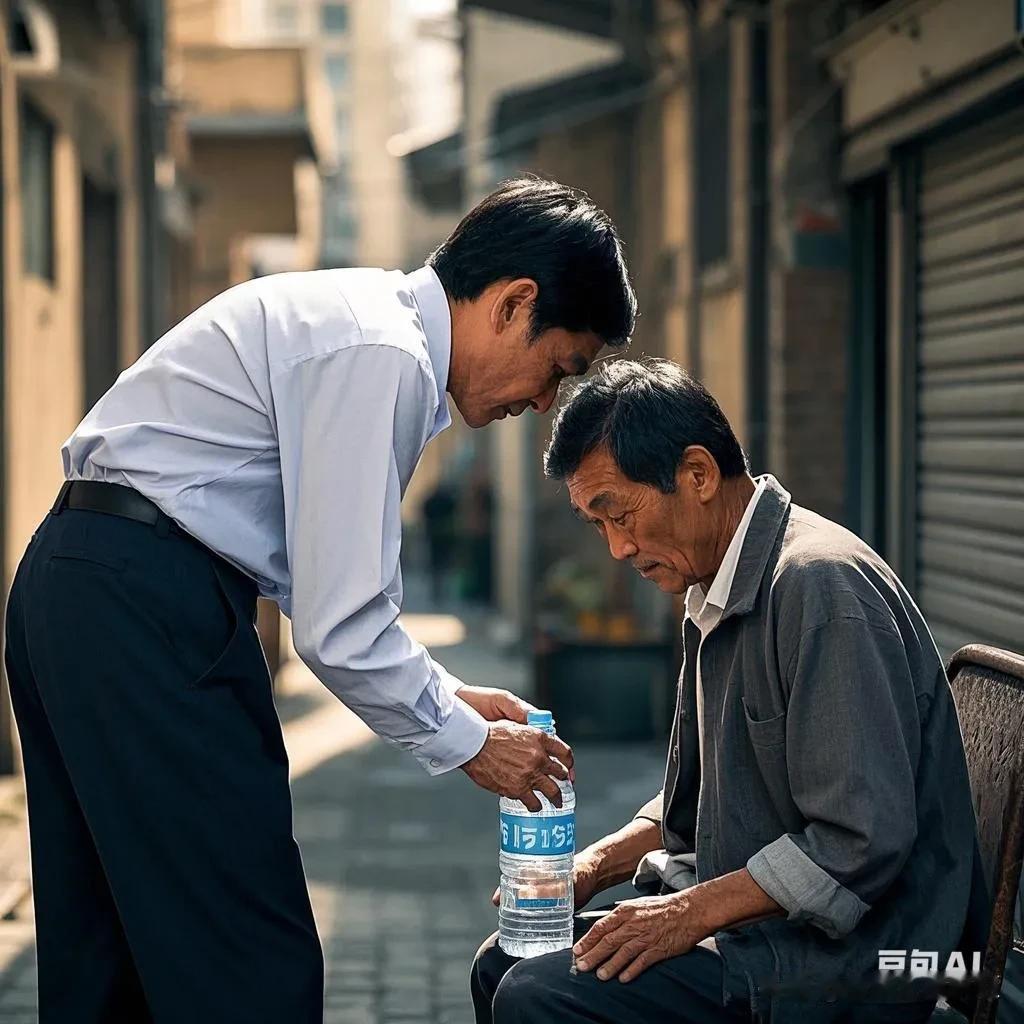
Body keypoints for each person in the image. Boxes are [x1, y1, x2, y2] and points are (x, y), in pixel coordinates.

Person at [4, 177, 636, 1023]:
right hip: (147, 606)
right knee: (247, 958)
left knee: (104, 949)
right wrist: (467, 743)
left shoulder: (359, 320)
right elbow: (339, 626)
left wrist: (448, 695)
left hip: (81, 579)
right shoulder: (385, 353)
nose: (544, 400)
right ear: (514, 303)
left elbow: (325, 586)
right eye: (557, 366)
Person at [471, 359, 988, 1024]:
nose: (618, 549)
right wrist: (590, 869)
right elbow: (698, 802)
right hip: (769, 930)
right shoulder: (713, 588)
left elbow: (859, 841)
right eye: (597, 526)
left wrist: (683, 916)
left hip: (877, 960)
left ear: (698, 475)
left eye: (619, 514)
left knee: (540, 996)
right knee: (504, 959)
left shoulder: (819, 587)